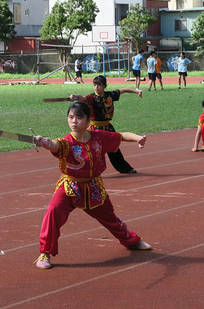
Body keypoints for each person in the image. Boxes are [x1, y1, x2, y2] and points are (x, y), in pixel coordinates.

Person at [33, 101, 152, 269]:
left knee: (110, 218)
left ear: (89, 121)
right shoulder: (66, 142)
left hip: (94, 187)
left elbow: (122, 136)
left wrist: (138, 138)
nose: (74, 121)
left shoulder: (98, 136)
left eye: (79, 117)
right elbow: (53, 145)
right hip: (70, 186)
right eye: (71, 117)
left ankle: (132, 241)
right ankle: (45, 253)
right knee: (53, 210)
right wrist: (44, 142)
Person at [70, 75, 142, 174]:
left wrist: (137, 91)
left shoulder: (110, 95)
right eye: (94, 85)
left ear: (105, 86)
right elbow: (82, 98)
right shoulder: (91, 98)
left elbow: (124, 90)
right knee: (93, 150)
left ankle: (125, 168)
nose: (96, 87)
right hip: (95, 128)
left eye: (99, 85)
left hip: (107, 127)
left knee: (114, 148)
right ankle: (86, 169)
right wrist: (75, 96)